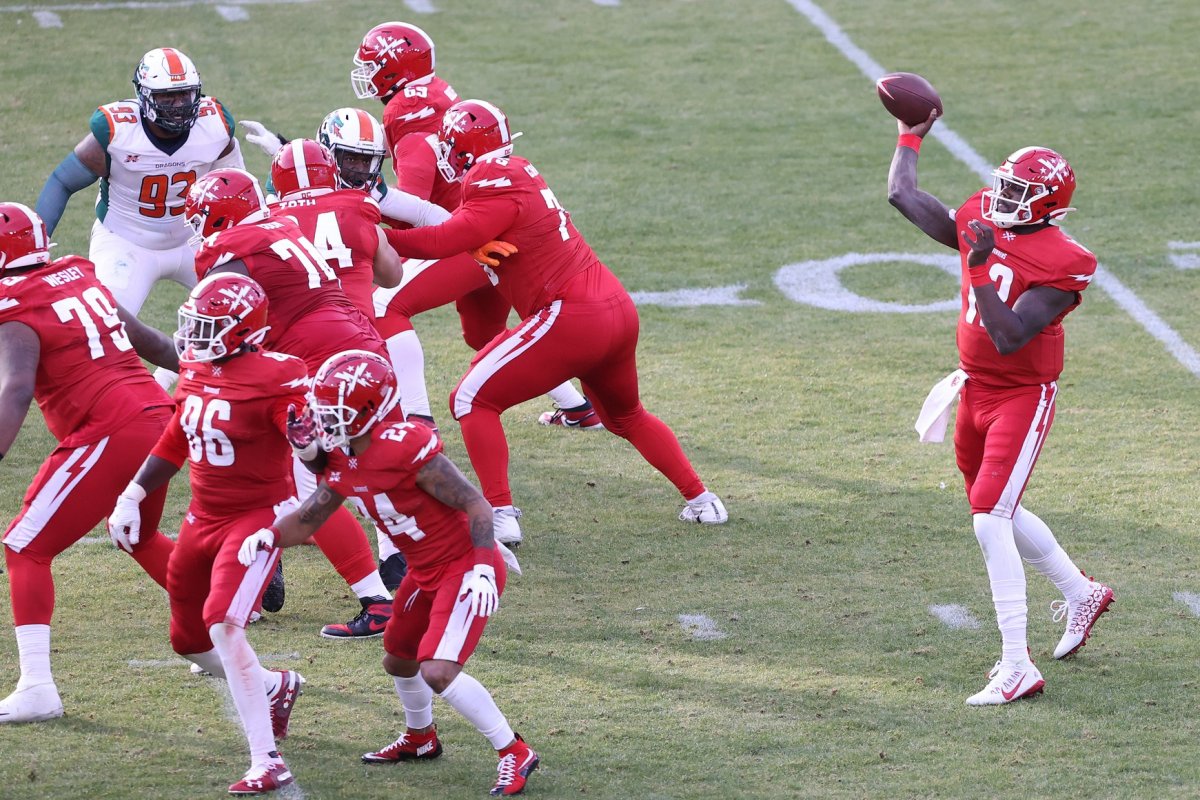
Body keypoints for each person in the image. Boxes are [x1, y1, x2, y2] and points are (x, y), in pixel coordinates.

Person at [382, 99, 729, 546]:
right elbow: (479, 231)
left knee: (469, 400)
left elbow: (445, 237)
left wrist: (375, 238)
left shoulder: (488, 180)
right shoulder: (520, 169)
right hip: (615, 307)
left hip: (570, 316)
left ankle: (501, 515)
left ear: (464, 150)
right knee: (626, 415)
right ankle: (703, 500)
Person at [887, 111, 1114, 705]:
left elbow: (1011, 333)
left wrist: (982, 265)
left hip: (1020, 395)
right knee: (998, 510)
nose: (1004, 198)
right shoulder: (983, 214)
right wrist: (911, 132)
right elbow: (901, 194)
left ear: (1049, 205)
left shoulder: (1067, 261)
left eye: (1020, 192)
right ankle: (1080, 592)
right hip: (973, 388)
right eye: (1004, 185)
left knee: (989, 519)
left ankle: (1017, 664)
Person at [238, 349, 539, 797]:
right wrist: (269, 536)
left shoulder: (405, 446)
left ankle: (514, 751)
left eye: (337, 414)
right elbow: (309, 517)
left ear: (369, 411)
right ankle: (420, 739)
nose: (327, 422)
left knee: (437, 671)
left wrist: (480, 566)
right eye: (326, 412)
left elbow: (475, 503)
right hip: (424, 569)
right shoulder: (343, 457)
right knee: (398, 656)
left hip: (463, 567)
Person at [351, 21, 602, 432]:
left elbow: (413, 199)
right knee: (483, 331)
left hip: (467, 237)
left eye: (374, 64)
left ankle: (418, 419)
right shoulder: (436, 91)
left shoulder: (407, 118)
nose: (368, 73)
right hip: (490, 230)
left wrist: (370, 208)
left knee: (385, 308)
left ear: (394, 69)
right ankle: (577, 407)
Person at [108, 272, 304, 794]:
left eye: (208, 325)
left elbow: (310, 447)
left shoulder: (279, 376)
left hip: (256, 514)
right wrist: (133, 493)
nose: (194, 334)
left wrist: (308, 437)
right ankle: (275, 685)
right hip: (202, 516)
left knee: (223, 625)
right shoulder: (197, 367)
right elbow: (176, 438)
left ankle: (266, 759)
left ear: (244, 330)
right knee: (188, 640)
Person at [184, 167, 397, 639]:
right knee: (327, 469)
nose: (196, 225)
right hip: (353, 340)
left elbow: (221, 330)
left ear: (222, 216)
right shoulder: (279, 225)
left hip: (318, 358)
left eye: (202, 215)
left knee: (314, 481)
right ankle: (261, 575)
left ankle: (378, 599)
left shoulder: (233, 253)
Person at [0, 202, 179, 722]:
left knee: (25, 546)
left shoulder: (15, 304)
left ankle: (37, 686)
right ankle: (222, 618)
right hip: (155, 417)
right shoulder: (77, 274)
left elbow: (14, 393)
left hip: (111, 430)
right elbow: (146, 341)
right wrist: (202, 367)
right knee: (136, 534)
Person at [34, 48, 244, 392]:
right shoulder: (117, 132)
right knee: (100, 334)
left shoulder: (215, 126)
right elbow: (62, 181)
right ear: (145, 97)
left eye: (185, 95)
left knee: (247, 309)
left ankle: (165, 379)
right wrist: (35, 248)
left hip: (194, 240)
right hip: (127, 241)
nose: (178, 105)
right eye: (168, 97)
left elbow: (235, 187)